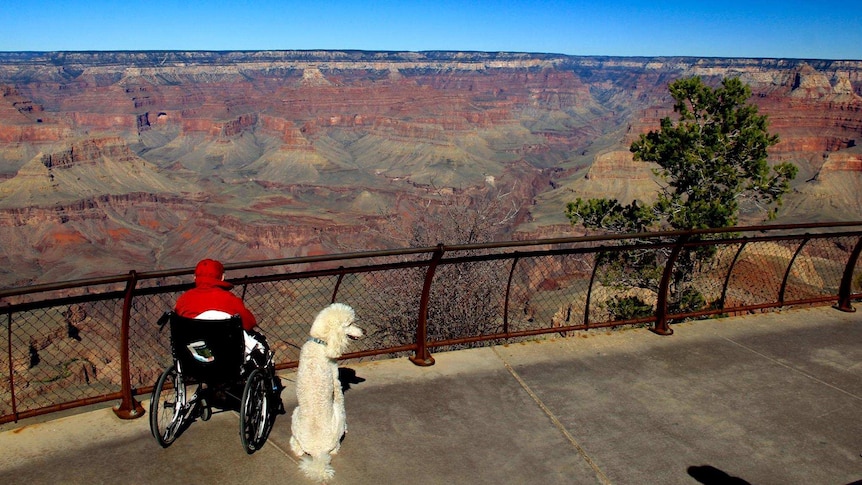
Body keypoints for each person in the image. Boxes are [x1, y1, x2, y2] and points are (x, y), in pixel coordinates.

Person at [174, 258, 284, 413]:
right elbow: (249, 323)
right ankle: (270, 396)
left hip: (192, 358)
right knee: (261, 347)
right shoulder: (229, 300)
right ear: (222, 278)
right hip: (227, 361)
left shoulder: (183, 300)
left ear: (195, 278)